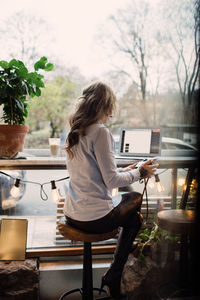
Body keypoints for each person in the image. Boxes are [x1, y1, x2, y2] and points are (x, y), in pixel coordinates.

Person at [64, 81, 158, 299]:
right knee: (134, 199)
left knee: (133, 218)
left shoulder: (77, 131)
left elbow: (98, 173)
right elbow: (111, 182)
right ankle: (114, 274)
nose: (112, 114)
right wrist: (141, 173)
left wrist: (129, 169)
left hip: (72, 214)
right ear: (103, 106)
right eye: (110, 107)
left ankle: (114, 275)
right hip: (93, 219)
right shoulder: (101, 132)